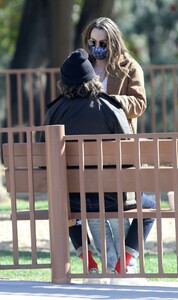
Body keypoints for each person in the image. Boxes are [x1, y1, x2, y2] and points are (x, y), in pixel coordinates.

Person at [41, 48, 143, 277]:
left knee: (68, 208)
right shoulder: (109, 108)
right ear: (93, 79)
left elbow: (43, 162)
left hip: (74, 199)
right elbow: (129, 155)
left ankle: (90, 259)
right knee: (149, 204)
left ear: (64, 83)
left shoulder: (54, 113)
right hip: (113, 196)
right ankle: (124, 263)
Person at [81, 16, 156, 274]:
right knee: (90, 204)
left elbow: (139, 103)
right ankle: (110, 262)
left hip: (119, 150)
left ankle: (123, 262)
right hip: (88, 153)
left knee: (124, 206)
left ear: (113, 42)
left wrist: (110, 101)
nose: (97, 47)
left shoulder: (129, 67)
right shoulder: (84, 66)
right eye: (92, 41)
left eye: (102, 42)